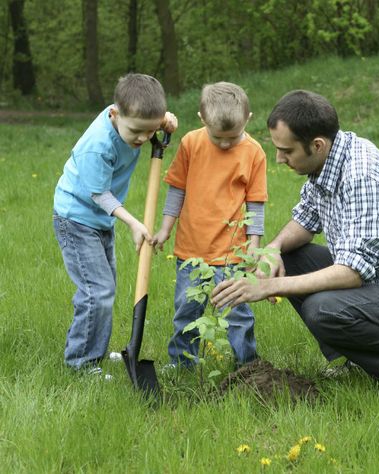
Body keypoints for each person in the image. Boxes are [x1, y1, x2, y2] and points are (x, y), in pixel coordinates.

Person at [211, 90, 379, 385]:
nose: (279, 159)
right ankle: (361, 358)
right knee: (290, 257)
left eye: (287, 150)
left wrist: (271, 286)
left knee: (323, 310)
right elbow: (306, 219)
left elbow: (352, 273)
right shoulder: (328, 160)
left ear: (317, 145)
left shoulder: (362, 177)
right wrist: (272, 249)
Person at [53, 73, 177, 372]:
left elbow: (154, 122)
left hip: (98, 222)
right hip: (77, 217)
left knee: (105, 288)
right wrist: (133, 223)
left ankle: (94, 351)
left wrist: (167, 123)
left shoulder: (134, 116)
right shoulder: (98, 146)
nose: (143, 139)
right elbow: (99, 195)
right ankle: (81, 362)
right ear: (114, 114)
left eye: (150, 132)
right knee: (98, 291)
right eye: (137, 132)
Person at [153, 81, 267, 369]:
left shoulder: (254, 153)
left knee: (237, 313)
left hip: (232, 253)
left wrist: (254, 248)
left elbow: (255, 205)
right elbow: (177, 189)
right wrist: (165, 229)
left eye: (234, 136)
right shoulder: (191, 143)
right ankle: (182, 363)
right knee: (186, 310)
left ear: (247, 120)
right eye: (219, 138)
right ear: (203, 120)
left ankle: (248, 366)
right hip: (190, 250)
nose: (226, 144)